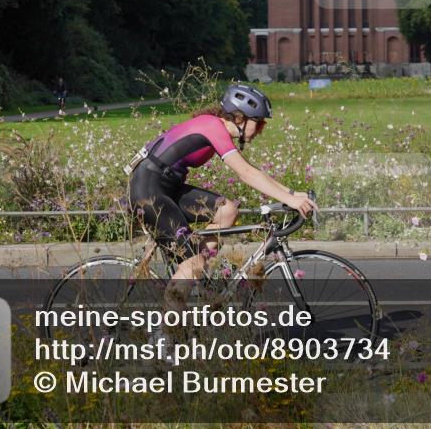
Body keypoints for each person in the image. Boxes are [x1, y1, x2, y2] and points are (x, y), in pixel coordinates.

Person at [128, 83, 318, 315]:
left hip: (166, 185)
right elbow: (245, 173)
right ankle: (162, 337)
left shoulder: (215, 126)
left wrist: (291, 194)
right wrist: (292, 200)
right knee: (192, 265)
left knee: (226, 211)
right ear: (240, 118)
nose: (262, 130)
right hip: (148, 189)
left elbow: (251, 169)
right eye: (259, 123)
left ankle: (195, 271)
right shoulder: (212, 127)